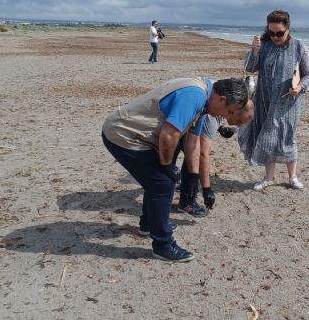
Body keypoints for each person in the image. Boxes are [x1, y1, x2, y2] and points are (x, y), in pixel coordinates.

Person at [102, 77, 250, 262]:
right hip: (123, 135)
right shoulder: (194, 96)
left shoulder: (204, 100)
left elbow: (191, 143)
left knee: (157, 181)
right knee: (162, 183)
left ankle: (149, 225)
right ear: (221, 98)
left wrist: (194, 179)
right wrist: (167, 166)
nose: (228, 117)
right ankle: (163, 245)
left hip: (134, 135)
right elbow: (169, 134)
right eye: (229, 111)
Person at [239, 10, 309, 191]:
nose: (275, 37)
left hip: (289, 102)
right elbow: (250, 68)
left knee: (288, 136)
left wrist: (300, 87)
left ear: (288, 28)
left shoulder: (298, 47)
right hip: (264, 99)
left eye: (279, 33)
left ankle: (292, 177)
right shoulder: (264, 45)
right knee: (267, 137)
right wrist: (255, 50)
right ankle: (269, 178)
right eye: (271, 32)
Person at [176, 101, 255, 217]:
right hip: (170, 130)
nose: (238, 126)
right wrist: (207, 189)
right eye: (239, 121)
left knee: (191, 157)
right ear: (233, 110)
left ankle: (184, 190)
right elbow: (203, 154)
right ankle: (186, 202)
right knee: (194, 159)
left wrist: (220, 127)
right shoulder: (212, 116)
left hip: (180, 125)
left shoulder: (222, 102)